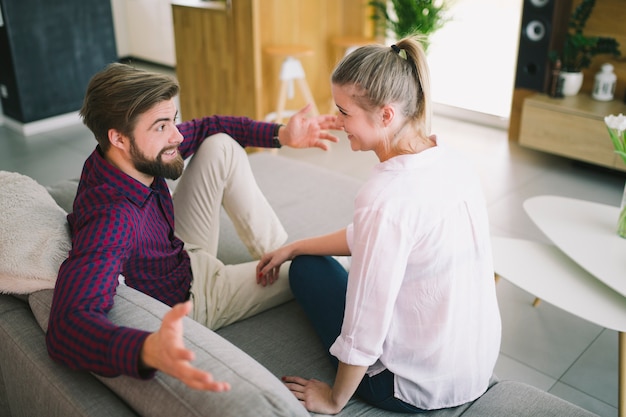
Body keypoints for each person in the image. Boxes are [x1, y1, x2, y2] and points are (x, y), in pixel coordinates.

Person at [46, 62, 339, 392]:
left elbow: (208, 127)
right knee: (317, 264)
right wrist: (145, 349)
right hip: (194, 296)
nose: (178, 135)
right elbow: (67, 327)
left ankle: (277, 252)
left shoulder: (123, 156)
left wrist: (281, 134)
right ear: (119, 138)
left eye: (173, 120)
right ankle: (291, 261)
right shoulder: (111, 219)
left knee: (220, 144)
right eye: (161, 127)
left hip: (177, 250)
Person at [256, 36, 502, 414]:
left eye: (344, 112)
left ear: (386, 115)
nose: (338, 122)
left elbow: (365, 318)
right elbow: (380, 239)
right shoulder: (453, 161)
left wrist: (335, 398)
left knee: (306, 271)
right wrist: (295, 244)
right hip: (474, 370)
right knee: (304, 255)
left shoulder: (385, 194)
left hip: (409, 388)